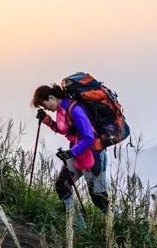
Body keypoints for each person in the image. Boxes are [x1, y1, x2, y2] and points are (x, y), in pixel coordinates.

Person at [32, 84, 110, 226]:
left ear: (51, 97)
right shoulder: (61, 110)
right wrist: (47, 121)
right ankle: (78, 227)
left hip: (93, 154)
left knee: (99, 198)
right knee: (62, 186)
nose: (47, 109)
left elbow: (89, 137)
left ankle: (117, 227)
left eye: (45, 105)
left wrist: (70, 153)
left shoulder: (75, 109)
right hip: (76, 153)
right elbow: (66, 130)